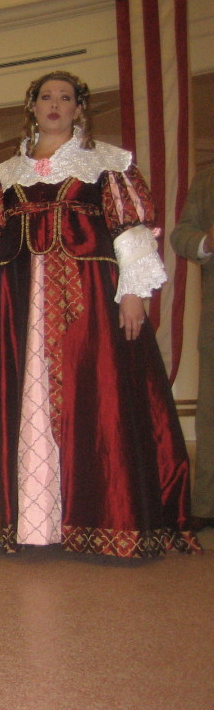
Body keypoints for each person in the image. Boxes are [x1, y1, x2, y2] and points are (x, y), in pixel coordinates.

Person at [0, 70, 198, 557]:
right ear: (31, 107)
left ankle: (103, 519)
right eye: (46, 97)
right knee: (29, 395)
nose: (55, 104)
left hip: (88, 298)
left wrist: (133, 292)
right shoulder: (7, 174)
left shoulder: (106, 163)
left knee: (93, 395)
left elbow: (130, 231)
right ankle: (37, 523)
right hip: (22, 300)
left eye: (65, 98)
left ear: (79, 108)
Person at [169, 164, 214, 530]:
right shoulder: (207, 178)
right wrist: (206, 242)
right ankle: (206, 505)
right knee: (211, 416)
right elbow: (181, 235)